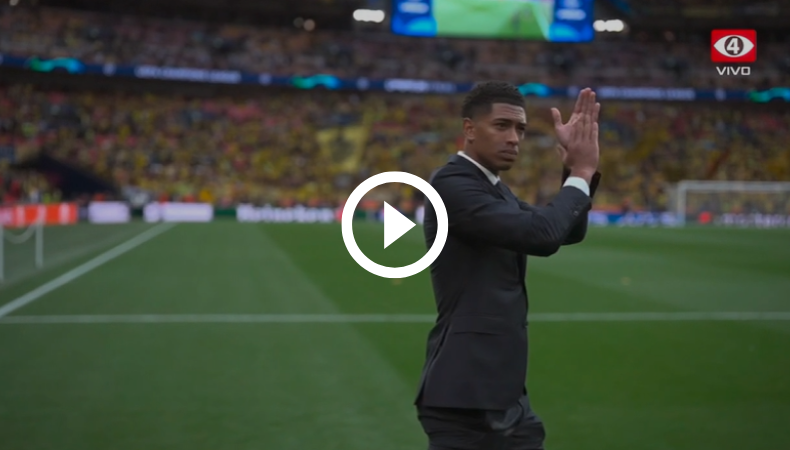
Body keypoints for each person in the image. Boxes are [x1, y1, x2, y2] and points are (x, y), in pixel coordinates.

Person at [416, 81, 602, 450]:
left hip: (497, 390)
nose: (514, 138)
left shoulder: (494, 190)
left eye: (520, 129)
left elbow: (566, 232)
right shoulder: (452, 183)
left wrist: (573, 172)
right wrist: (582, 173)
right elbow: (542, 236)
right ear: (469, 129)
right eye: (502, 126)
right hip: (466, 396)